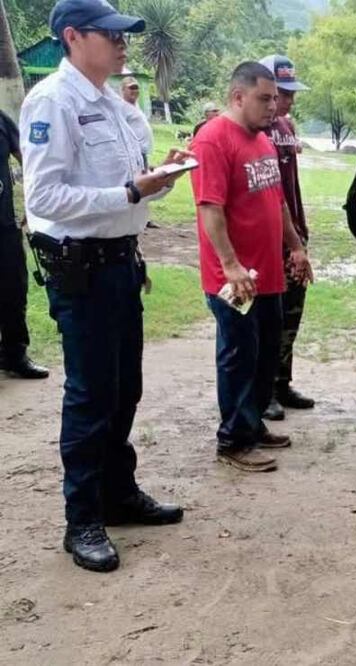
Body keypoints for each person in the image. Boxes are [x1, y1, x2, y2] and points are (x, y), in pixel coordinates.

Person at [20, 0, 190, 572]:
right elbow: (43, 199)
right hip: (80, 268)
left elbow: (129, 188)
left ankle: (118, 494)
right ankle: (82, 519)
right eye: (111, 34)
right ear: (73, 37)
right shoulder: (52, 102)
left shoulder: (116, 107)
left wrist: (158, 180)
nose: (123, 45)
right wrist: (131, 194)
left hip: (120, 261)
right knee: (91, 396)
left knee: (125, 388)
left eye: (125, 36)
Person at [190, 62, 313, 472]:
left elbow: (276, 200)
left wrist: (296, 247)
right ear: (237, 96)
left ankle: (254, 423)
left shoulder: (261, 140)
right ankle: (234, 440)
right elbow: (210, 209)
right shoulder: (213, 140)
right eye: (264, 98)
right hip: (235, 279)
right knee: (239, 354)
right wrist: (230, 265)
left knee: (265, 353)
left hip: (268, 274)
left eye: (275, 99)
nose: (273, 107)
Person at [257, 54, 315, 422]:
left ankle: (282, 382)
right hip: (268, 241)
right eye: (282, 92)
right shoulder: (255, 130)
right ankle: (262, 391)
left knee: (291, 313)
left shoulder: (286, 127)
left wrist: (300, 236)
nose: (289, 99)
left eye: (292, 92)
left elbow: (290, 186)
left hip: (294, 231)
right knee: (268, 317)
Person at [0, 111, 48, 380]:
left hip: (5, 226)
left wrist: (33, 207)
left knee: (13, 290)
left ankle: (14, 354)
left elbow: (29, 165)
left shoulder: (2, 121)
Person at [118, 75, 151, 165]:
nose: (135, 91)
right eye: (131, 88)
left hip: (142, 152)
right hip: (133, 153)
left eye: (137, 88)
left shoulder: (135, 105)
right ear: (123, 90)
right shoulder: (121, 107)